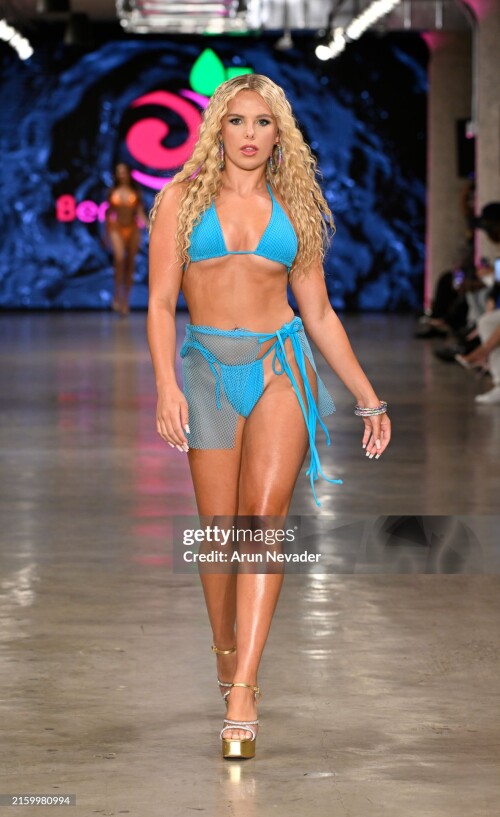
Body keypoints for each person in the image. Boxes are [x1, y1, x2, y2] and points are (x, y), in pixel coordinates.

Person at [146, 74, 392, 760]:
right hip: (204, 373)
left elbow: (317, 311)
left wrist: (368, 396)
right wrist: (166, 385)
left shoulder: (297, 206)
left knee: (261, 524)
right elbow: (161, 303)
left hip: (282, 368)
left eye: (262, 123)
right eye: (238, 121)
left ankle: (245, 688)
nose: (250, 134)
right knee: (218, 535)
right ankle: (227, 652)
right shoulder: (179, 202)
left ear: (278, 133)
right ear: (217, 129)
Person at [105, 163, 147, 315]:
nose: (121, 174)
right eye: (118, 172)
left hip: (133, 229)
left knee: (130, 264)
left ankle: (125, 300)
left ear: (128, 173)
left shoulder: (135, 191)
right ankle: (116, 294)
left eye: (123, 171)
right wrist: (106, 235)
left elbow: (140, 213)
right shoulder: (112, 191)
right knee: (120, 258)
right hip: (117, 228)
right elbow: (108, 213)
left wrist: (150, 227)